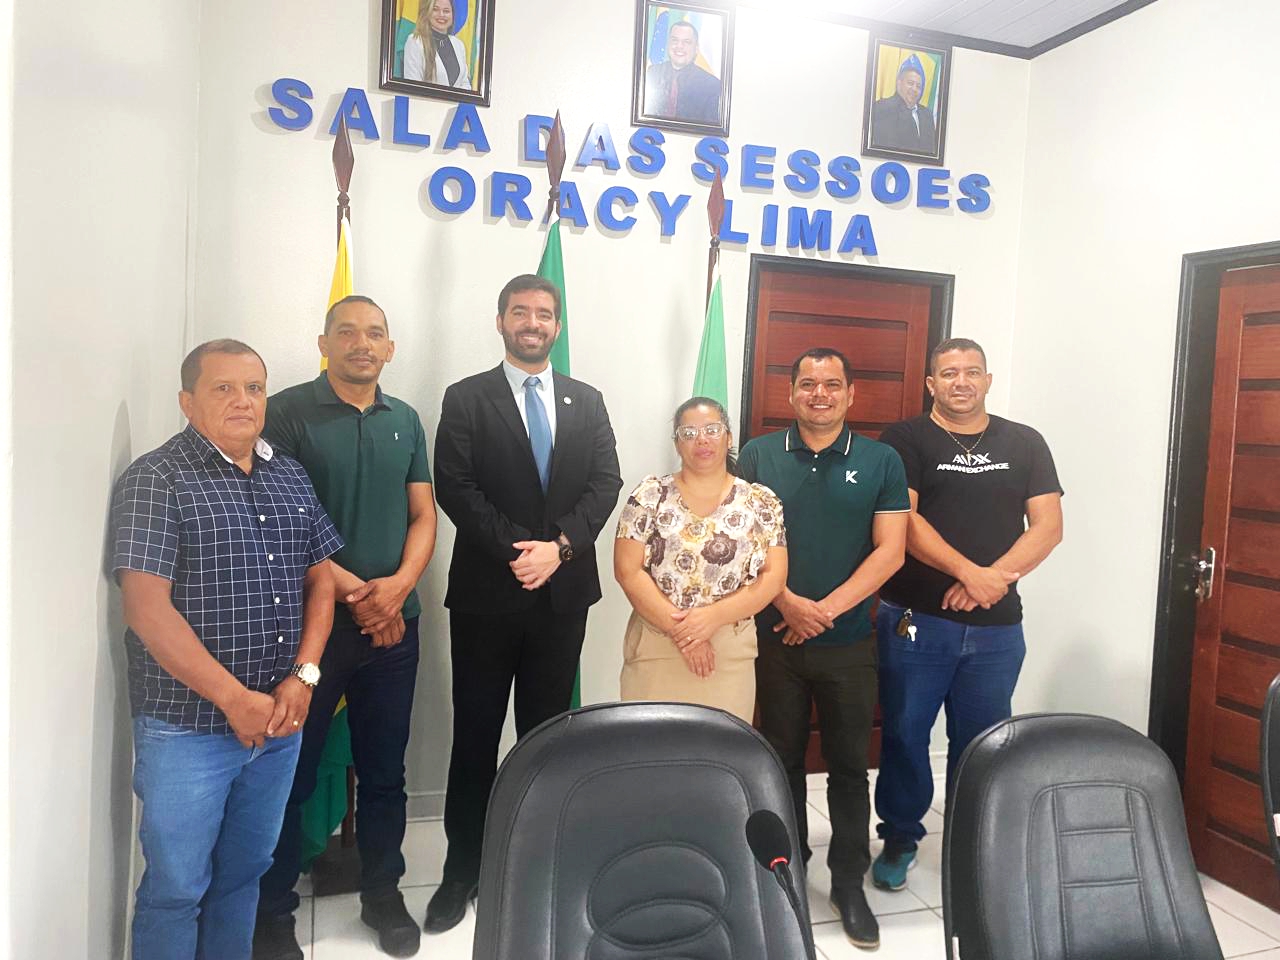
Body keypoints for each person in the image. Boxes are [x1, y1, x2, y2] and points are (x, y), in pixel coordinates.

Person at [110, 339, 343, 960]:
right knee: (176, 889)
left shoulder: (287, 473)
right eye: (223, 388)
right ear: (188, 402)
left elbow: (322, 576)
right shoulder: (156, 480)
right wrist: (233, 699)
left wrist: (305, 675)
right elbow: (145, 609)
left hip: (279, 723)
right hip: (187, 729)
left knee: (244, 874)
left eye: (254, 388)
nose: (243, 401)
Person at [426, 273, 623, 932]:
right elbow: (455, 487)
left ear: (557, 325)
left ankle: (543, 859)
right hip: (488, 595)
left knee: (548, 736)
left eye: (543, 312)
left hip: (562, 596)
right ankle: (463, 869)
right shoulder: (467, 398)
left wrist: (560, 547)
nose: (532, 322)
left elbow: (606, 482)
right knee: (476, 736)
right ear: (501, 320)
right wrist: (522, 550)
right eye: (520, 311)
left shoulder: (586, 400)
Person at [253, 297, 437, 959]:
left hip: (394, 627)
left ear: (390, 349)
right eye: (348, 332)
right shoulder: (288, 413)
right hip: (308, 629)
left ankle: (382, 895)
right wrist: (362, 595)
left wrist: (398, 590)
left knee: (386, 772)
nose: (363, 343)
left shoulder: (407, 419)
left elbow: (424, 515)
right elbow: (278, 518)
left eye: (376, 334)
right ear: (323, 342)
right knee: (290, 775)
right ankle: (272, 914)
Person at [871, 337, 1063, 893]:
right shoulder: (905, 439)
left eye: (971, 372)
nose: (961, 382)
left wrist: (989, 581)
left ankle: (971, 842)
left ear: (987, 379)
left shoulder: (1024, 441)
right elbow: (902, 518)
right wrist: (967, 573)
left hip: (998, 627)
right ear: (930, 383)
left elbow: (1048, 527)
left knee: (983, 738)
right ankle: (901, 837)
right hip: (916, 618)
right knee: (906, 733)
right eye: (948, 373)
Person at [737, 348, 909, 952]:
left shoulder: (881, 459)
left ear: (850, 394)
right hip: (774, 638)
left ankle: (847, 882)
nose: (819, 394)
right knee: (778, 763)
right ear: (790, 394)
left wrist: (824, 611)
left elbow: (890, 550)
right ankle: (787, 871)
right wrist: (786, 603)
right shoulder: (757, 454)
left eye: (831, 384)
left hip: (846, 643)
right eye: (807, 384)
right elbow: (742, 544)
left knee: (847, 768)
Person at [614, 397, 788, 722]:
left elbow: (773, 577)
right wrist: (687, 634)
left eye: (712, 429)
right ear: (677, 444)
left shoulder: (761, 502)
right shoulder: (649, 496)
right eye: (689, 432)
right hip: (657, 644)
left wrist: (711, 619)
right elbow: (627, 571)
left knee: (719, 761)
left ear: (729, 437)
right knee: (651, 757)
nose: (702, 439)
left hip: (729, 652)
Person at [643, 19, 722, 124]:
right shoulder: (652, 74)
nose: (679, 46)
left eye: (687, 42)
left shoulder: (712, 85)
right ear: (668, 44)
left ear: (696, 48)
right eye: (674, 40)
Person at [868, 53, 938, 154]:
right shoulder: (881, 108)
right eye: (910, 83)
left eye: (918, 86)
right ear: (899, 83)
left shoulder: (927, 115)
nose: (914, 89)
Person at [402, 0, 472, 89]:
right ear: (427, 12)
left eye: (446, 11)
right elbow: (412, 85)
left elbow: (465, 84)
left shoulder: (458, 44)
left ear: (453, 15)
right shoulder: (415, 41)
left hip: (456, 102)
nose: (441, 15)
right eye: (435, 9)